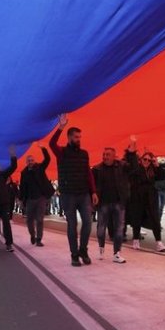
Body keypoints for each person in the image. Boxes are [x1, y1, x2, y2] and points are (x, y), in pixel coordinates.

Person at [49, 114, 98, 267]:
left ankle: (83, 250)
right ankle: (74, 255)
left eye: (80, 137)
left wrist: (94, 192)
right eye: (76, 137)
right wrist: (61, 127)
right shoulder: (62, 152)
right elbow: (51, 143)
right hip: (68, 194)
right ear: (69, 137)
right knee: (72, 225)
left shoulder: (84, 154)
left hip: (83, 194)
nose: (79, 139)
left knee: (88, 223)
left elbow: (88, 173)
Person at [91, 142, 133, 263]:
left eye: (108, 154)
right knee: (101, 228)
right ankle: (101, 249)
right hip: (103, 203)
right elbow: (92, 186)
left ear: (114, 156)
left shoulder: (121, 166)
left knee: (119, 229)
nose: (105, 156)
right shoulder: (97, 169)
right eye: (104, 154)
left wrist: (131, 153)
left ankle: (117, 253)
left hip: (118, 202)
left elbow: (134, 168)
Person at [126, 150, 165, 252]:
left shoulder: (153, 170)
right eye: (145, 159)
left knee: (155, 220)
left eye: (149, 160)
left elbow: (163, 177)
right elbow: (131, 170)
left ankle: (159, 242)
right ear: (141, 160)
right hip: (137, 198)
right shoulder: (136, 169)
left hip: (151, 198)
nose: (147, 162)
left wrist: (156, 165)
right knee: (137, 218)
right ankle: (136, 240)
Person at [18, 145, 53, 246]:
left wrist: (44, 149)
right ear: (26, 162)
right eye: (29, 160)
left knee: (39, 220)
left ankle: (39, 239)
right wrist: (21, 199)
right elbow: (22, 187)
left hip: (41, 198)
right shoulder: (24, 173)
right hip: (30, 199)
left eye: (32, 160)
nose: (31, 162)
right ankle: (32, 234)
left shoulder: (40, 168)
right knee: (29, 220)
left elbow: (47, 159)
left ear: (34, 161)